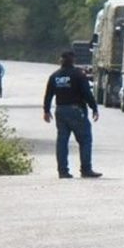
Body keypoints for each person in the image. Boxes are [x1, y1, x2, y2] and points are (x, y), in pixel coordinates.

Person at [43, 50, 102, 179]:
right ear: (73, 60)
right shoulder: (78, 75)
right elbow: (87, 93)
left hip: (60, 111)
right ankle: (86, 169)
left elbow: (48, 95)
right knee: (85, 139)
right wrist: (94, 108)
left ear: (61, 60)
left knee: (62, 141)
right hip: (76, 111)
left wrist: (46, 111)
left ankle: (63, 171)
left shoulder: (55, 76)